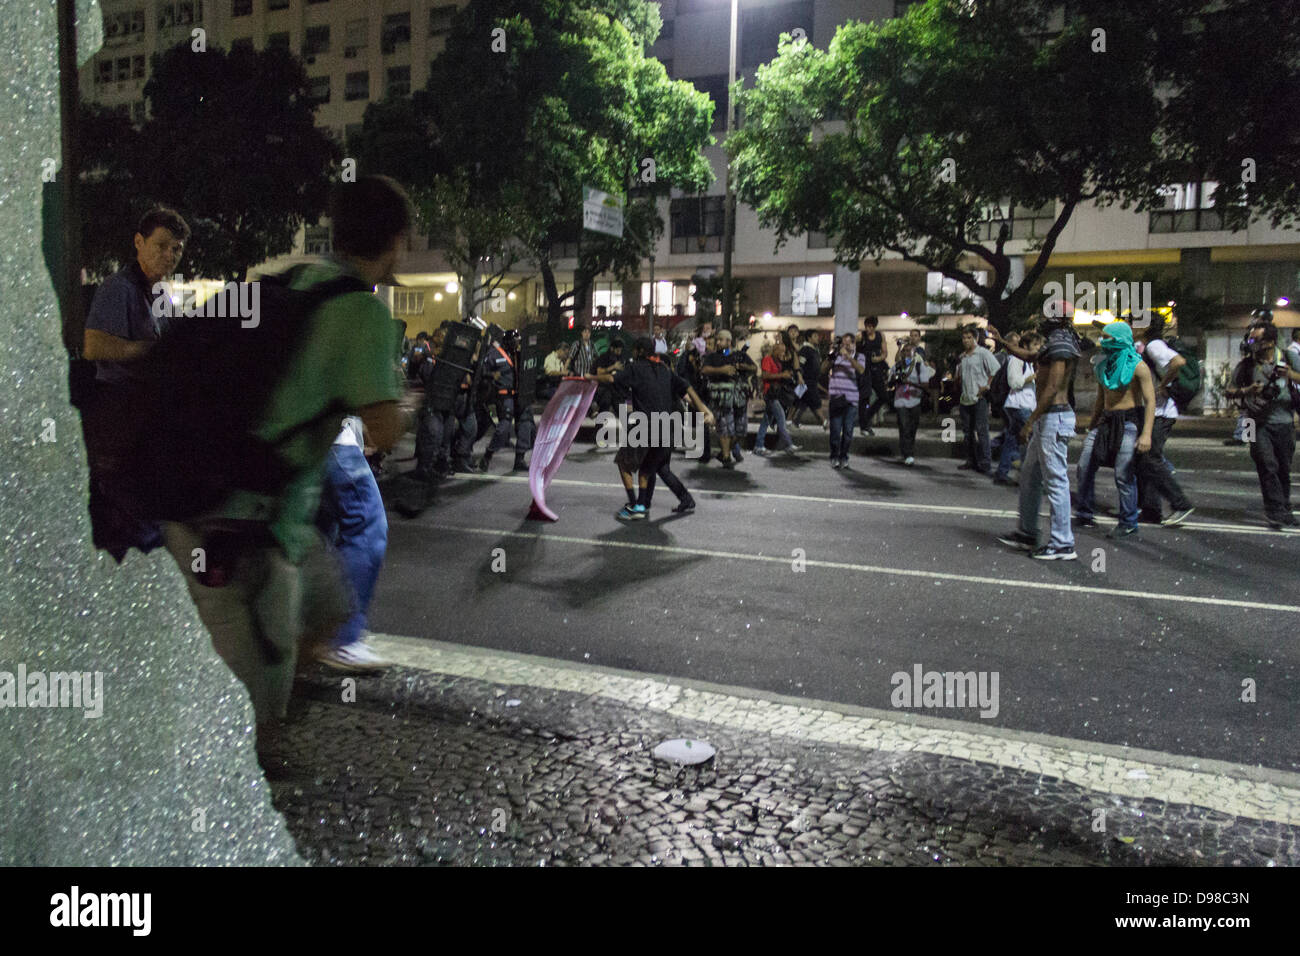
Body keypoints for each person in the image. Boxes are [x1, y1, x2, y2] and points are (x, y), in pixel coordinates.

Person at [160, 175, 412, 752]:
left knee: (328, 605)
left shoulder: (301, 279)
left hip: (253, 499)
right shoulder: (363, 314)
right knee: (254, 692)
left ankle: (267, 736)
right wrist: (408, 409)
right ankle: (248, 777)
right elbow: (383, 428)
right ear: (395, 242)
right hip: (232, 514)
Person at [82, 207, 191, 560]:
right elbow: (93, 346)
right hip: (121, 417)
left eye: (176, 249)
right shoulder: (118, 289)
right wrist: (146, 351)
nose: (169, 255)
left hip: (146, 417)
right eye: (161, 246)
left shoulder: (161, 295)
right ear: (139, 243)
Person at [589, 337, 714, 518]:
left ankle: (637, 504)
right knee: (658, 467)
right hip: (668, 426)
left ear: (639, 351)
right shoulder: (664, 370)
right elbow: (687, 390)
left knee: (625, 464)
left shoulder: (635, 368)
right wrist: (704, 410)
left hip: (647, 426)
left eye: (634, 350)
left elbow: (610, 378)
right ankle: (679, 499)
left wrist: (589, 377)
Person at [997, 312, 1082, 560]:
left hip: (1054, 418)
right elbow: (1028, 355)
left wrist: (1030, 422)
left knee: (1055, 481)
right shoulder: (1055, 343)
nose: (1039, 322)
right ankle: (1028, 533)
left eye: (1045, 318)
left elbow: (1053, 387)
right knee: (1029, 476)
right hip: (1049, 418)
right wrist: (1003, 342)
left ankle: (1063, 544)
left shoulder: (1060, 345)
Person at [315, 415, 392, 672]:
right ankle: (342, 638)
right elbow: (379, 407)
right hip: (335, 441)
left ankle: (316, 629)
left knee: (321, 531)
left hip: (309, 440)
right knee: (367, 526)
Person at [1074, 322, 1156, 539]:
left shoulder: (1138, 366)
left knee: (1123, 474)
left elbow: (1150, 401)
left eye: (1107, 337)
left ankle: (1129, 522)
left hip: (1128, 422)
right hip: (1105, 421)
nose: (1102, 341)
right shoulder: (1103, 364)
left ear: (1120, 339)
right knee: (1084, 467)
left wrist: (1146, 433)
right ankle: (1084, 513)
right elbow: (1101, 399)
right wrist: (1092, 425)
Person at [1225, 321, 1300, 529]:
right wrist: (1247, 390)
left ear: (1269, 342)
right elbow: (1229, 391)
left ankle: (1284, 508)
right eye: (1250, 338)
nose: (1250, 343)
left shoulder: (1288, 358)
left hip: (1284, 421)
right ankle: (1274, 510)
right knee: (1266, 465)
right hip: (1252, 421)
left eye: (1255, 339)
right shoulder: (1247, 365)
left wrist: (1291, 375)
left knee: (1283, 468)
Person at [1136, 318, 1195, 526]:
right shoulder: (1148, 345)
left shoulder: (1154, 345)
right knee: (1145, 461)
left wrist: (1163, 384)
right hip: (1158, 412)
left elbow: (1178, 362)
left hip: (1161, 412)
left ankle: (1180, 504)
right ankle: (1151, 510)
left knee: (1151, 458)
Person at [953, 327, 1001, 473]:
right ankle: (971, 460)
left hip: (979, 398)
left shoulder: (983, 353)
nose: (966, 340)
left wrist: (987, 385)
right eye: (964, 338)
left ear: (976, 338)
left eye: (969, 337)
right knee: (968, 433)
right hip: (965, 398)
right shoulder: (963, 357)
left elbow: (995, 369)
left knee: (982, 431)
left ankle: (985, 462)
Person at [993, 332, 1037, 485]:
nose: (1038, 348)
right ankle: (1029, 477)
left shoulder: (1028, 362)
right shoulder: (1016, 360)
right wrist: (1031, 378)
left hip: (1021, 405)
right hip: (1019, 406)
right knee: (1032, 439)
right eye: (1035, 345)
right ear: (1025, 346)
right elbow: (1014, 382)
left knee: (1012, 439)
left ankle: (1002, 473)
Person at [701, 329, 742, 468]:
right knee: (724, 427)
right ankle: (726, 456)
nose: (718, 342)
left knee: (739, 429)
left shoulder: (736, 356)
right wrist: (722, 370)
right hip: (719, 396)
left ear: (729, 341)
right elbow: (705, 370)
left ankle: (725, 452)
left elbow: (752, 367)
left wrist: (740, 367)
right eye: (717, 340)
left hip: (737, 397)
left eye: (721, 339)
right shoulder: (712, 356)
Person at [889, 340, 933, 466]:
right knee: (904, 426)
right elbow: (890, 382)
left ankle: (908, 451)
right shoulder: (897, 366)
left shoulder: (920, 366)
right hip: (900, 400)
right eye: (905, 351)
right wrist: (894, 380)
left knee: (912, 428)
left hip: (915, 400)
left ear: (914, 353)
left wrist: (909, 383)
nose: (907, 353)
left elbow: (925, 385)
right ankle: (907, 454)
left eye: (909, 351)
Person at [824, 333, 864, 468]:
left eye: (848, 344)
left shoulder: (859, 357)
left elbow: (861, 370)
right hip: (836, 398)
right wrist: (831, 356)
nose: (845, 346)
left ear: (853, 344)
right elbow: (822, 370)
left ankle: (844, 456)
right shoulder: (836, 356)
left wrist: (847, 356)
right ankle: (834, 455)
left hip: (851, 400)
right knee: (835, 431)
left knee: (848, 432)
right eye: (843, 344)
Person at [754, 339, 800, 456]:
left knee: (766, 421)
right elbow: (765, 375)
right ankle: (789, 444)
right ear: (774, 350)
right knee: (781, 418)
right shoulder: (767, 359)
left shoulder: (778, 362)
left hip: (776, 394)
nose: (782, 354)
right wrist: (781, 375)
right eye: (780, 351)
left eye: (783, 352)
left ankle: (758, 446)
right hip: (770, 394)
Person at [858, 316, 889, 434]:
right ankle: (863, 425)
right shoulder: (861, 336)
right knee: (864, 398)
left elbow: (885, 352)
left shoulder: (880, 336)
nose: (868, 329)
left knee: (883, 396)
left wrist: (879, 358)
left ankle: (868, 415)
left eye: (871, 327)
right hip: (864, 368)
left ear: (874, 327)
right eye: (867, 327)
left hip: (876, 368)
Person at [792, 329, 827, 428]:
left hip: (810, 381)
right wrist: (799, 377)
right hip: (806, 381)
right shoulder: (806, 349)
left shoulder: (814, 350)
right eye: (815, 336)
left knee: (800, 402)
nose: (817, 338)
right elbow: (800, 364)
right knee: (815, 401)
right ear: (809, 338)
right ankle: (824, 422)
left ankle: (792, 421)